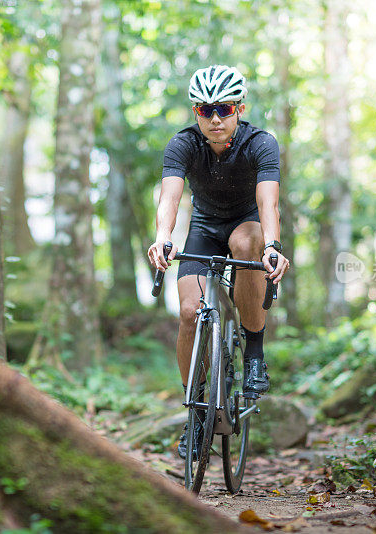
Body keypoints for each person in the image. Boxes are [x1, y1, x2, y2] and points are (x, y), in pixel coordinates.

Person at [147, 65, 290, 459]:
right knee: (191, 311)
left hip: (246, 223)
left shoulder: (260, 143)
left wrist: (272, 244)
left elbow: (268, 203)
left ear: (239, 108)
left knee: (247, 242)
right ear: (195, 112)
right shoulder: (183, 144)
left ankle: (255, 352)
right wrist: (163, 237)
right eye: (205, 110)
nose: (214, 119)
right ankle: (195, 411)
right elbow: (170, 198)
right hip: (205, 226)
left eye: (224, 110)